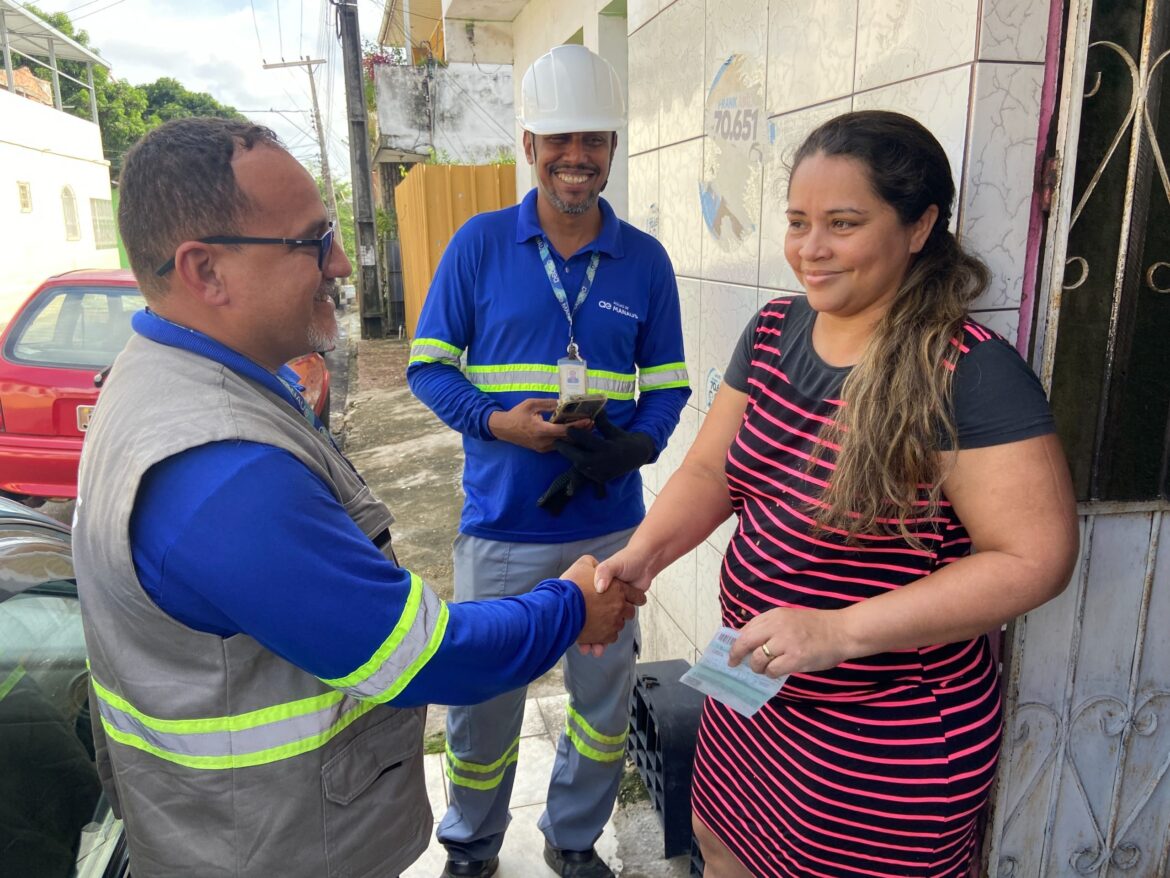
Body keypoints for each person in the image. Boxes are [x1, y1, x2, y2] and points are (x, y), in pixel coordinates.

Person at [72, 116, 643, 878]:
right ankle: (474, 842)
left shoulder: (160, 376)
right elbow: (422, 656)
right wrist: (572, 605)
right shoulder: (222, 473)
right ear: (205, 271)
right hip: (269, 846)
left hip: (247, 831)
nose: (341, 261)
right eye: (311, 243)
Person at [594, 110, 1080, 878]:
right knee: (720, 847)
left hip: (883, 738)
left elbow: (1034, 558)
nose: (810, 250)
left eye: (842, 223)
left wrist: (840, 632)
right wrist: (643, 555)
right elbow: (714, 472)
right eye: (797, 222)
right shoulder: (773, 329)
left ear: (919, 226)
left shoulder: (969, 371)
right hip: (749, 692)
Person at [407, 44, 690, 878]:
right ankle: (471, 844)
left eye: (593, 140)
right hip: (500, 525)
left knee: (601, 707)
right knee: (481, 707)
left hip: (609, 531)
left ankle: (572, 842)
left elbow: (669, 386)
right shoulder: (480, 245)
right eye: (560, 141)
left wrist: (638, 446)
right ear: (530, 145)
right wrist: (497, 423)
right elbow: (428, 366)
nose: (578, 158)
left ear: (610, 146)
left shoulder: (644, 260)